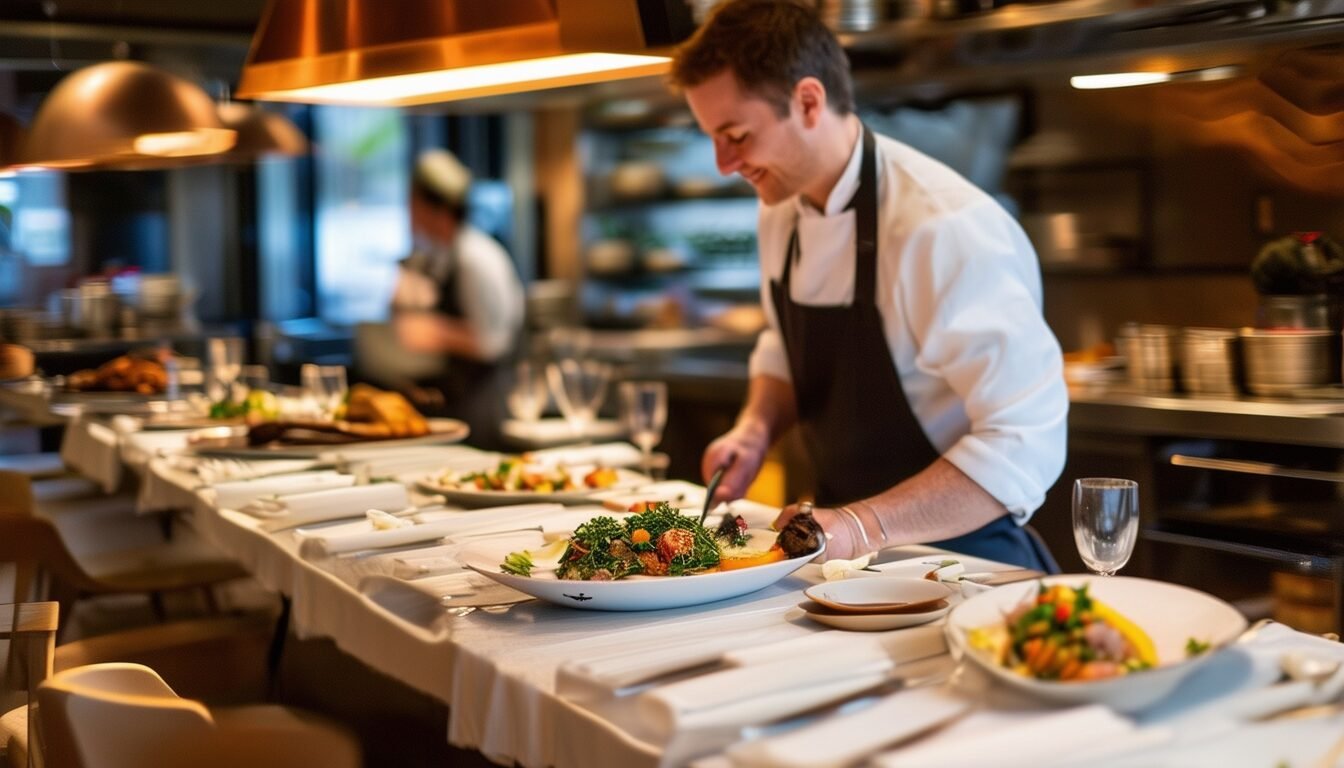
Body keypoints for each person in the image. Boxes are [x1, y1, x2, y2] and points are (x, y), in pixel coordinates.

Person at [670, 0, 1068, 570]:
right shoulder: (780, 211)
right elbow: (784, 346)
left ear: (809, 101)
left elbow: (1024, 440)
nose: (723, 163)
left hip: (966, 565)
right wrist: (755, 429)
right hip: (844, 565)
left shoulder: (943, 227)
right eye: (712, 136)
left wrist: (859, 526)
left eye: (735, 134)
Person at [389, 148, 524, 449]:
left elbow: (492, 342)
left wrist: (433, 332)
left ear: (434, 207)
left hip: (482, 403)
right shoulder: (443, 253)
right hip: (459, 398)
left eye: (412, 203)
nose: (409, 211)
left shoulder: (475, 258)